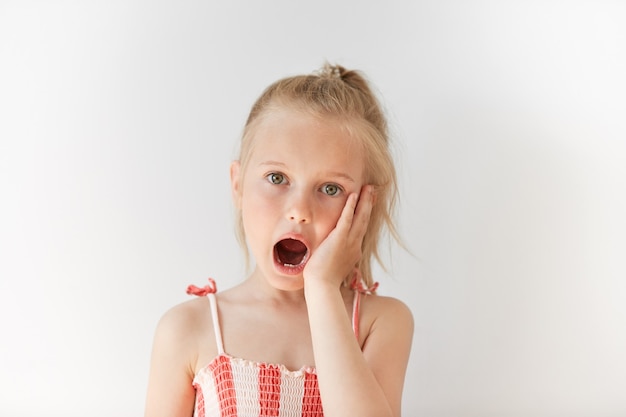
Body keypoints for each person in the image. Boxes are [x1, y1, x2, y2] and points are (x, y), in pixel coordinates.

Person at [144, 63, 414, 417]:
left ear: (364, 204)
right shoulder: (187, 330)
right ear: (237, 184)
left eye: (330, 189)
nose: (299, 210)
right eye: (277, 177)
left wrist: (322, 288)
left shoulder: (380, 324)